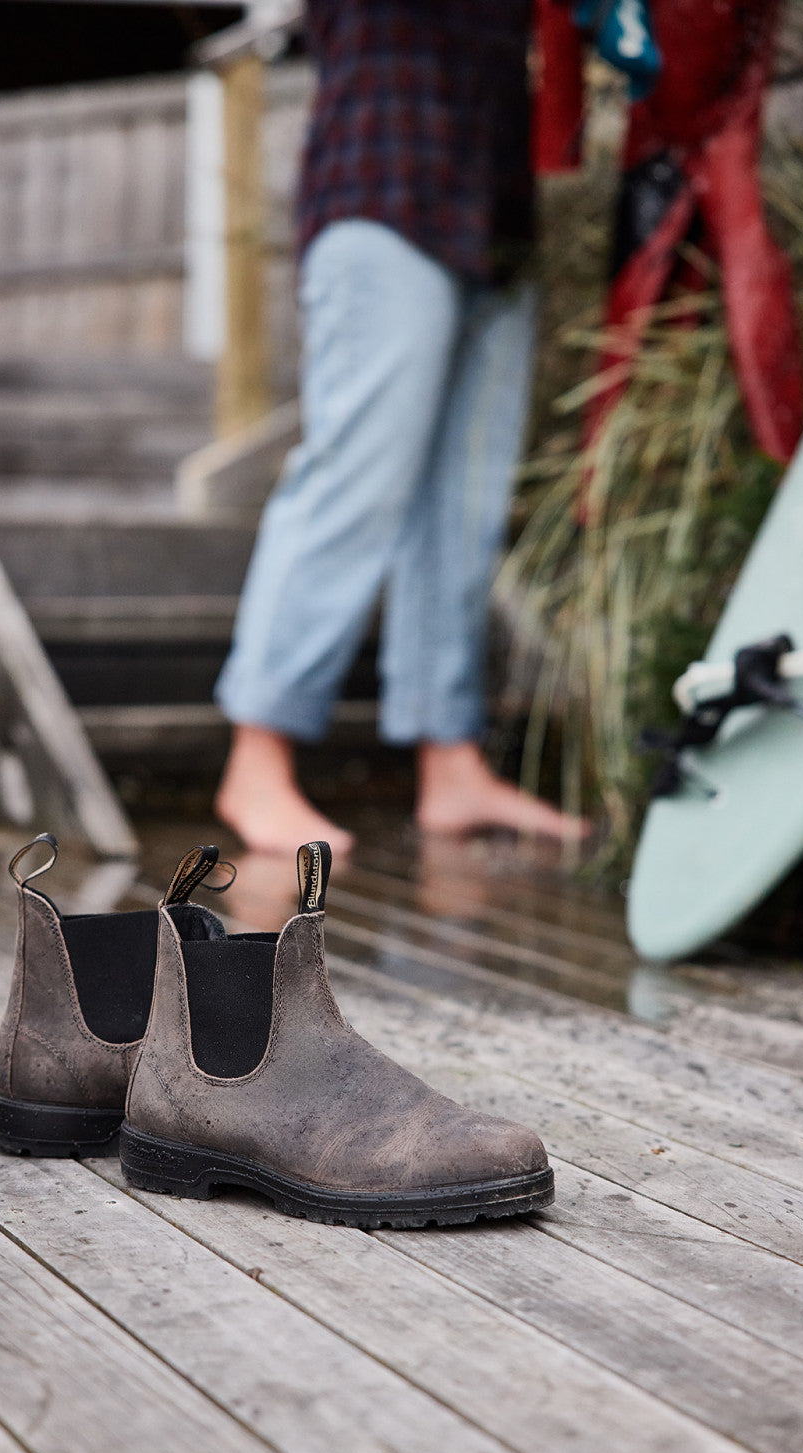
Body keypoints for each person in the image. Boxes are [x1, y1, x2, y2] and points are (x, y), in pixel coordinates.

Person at [215, 0, 588, 855]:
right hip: (382, 192)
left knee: (465, 504)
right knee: (356, 480)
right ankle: (257, 758)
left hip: (494, 212)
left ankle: (449, 758)